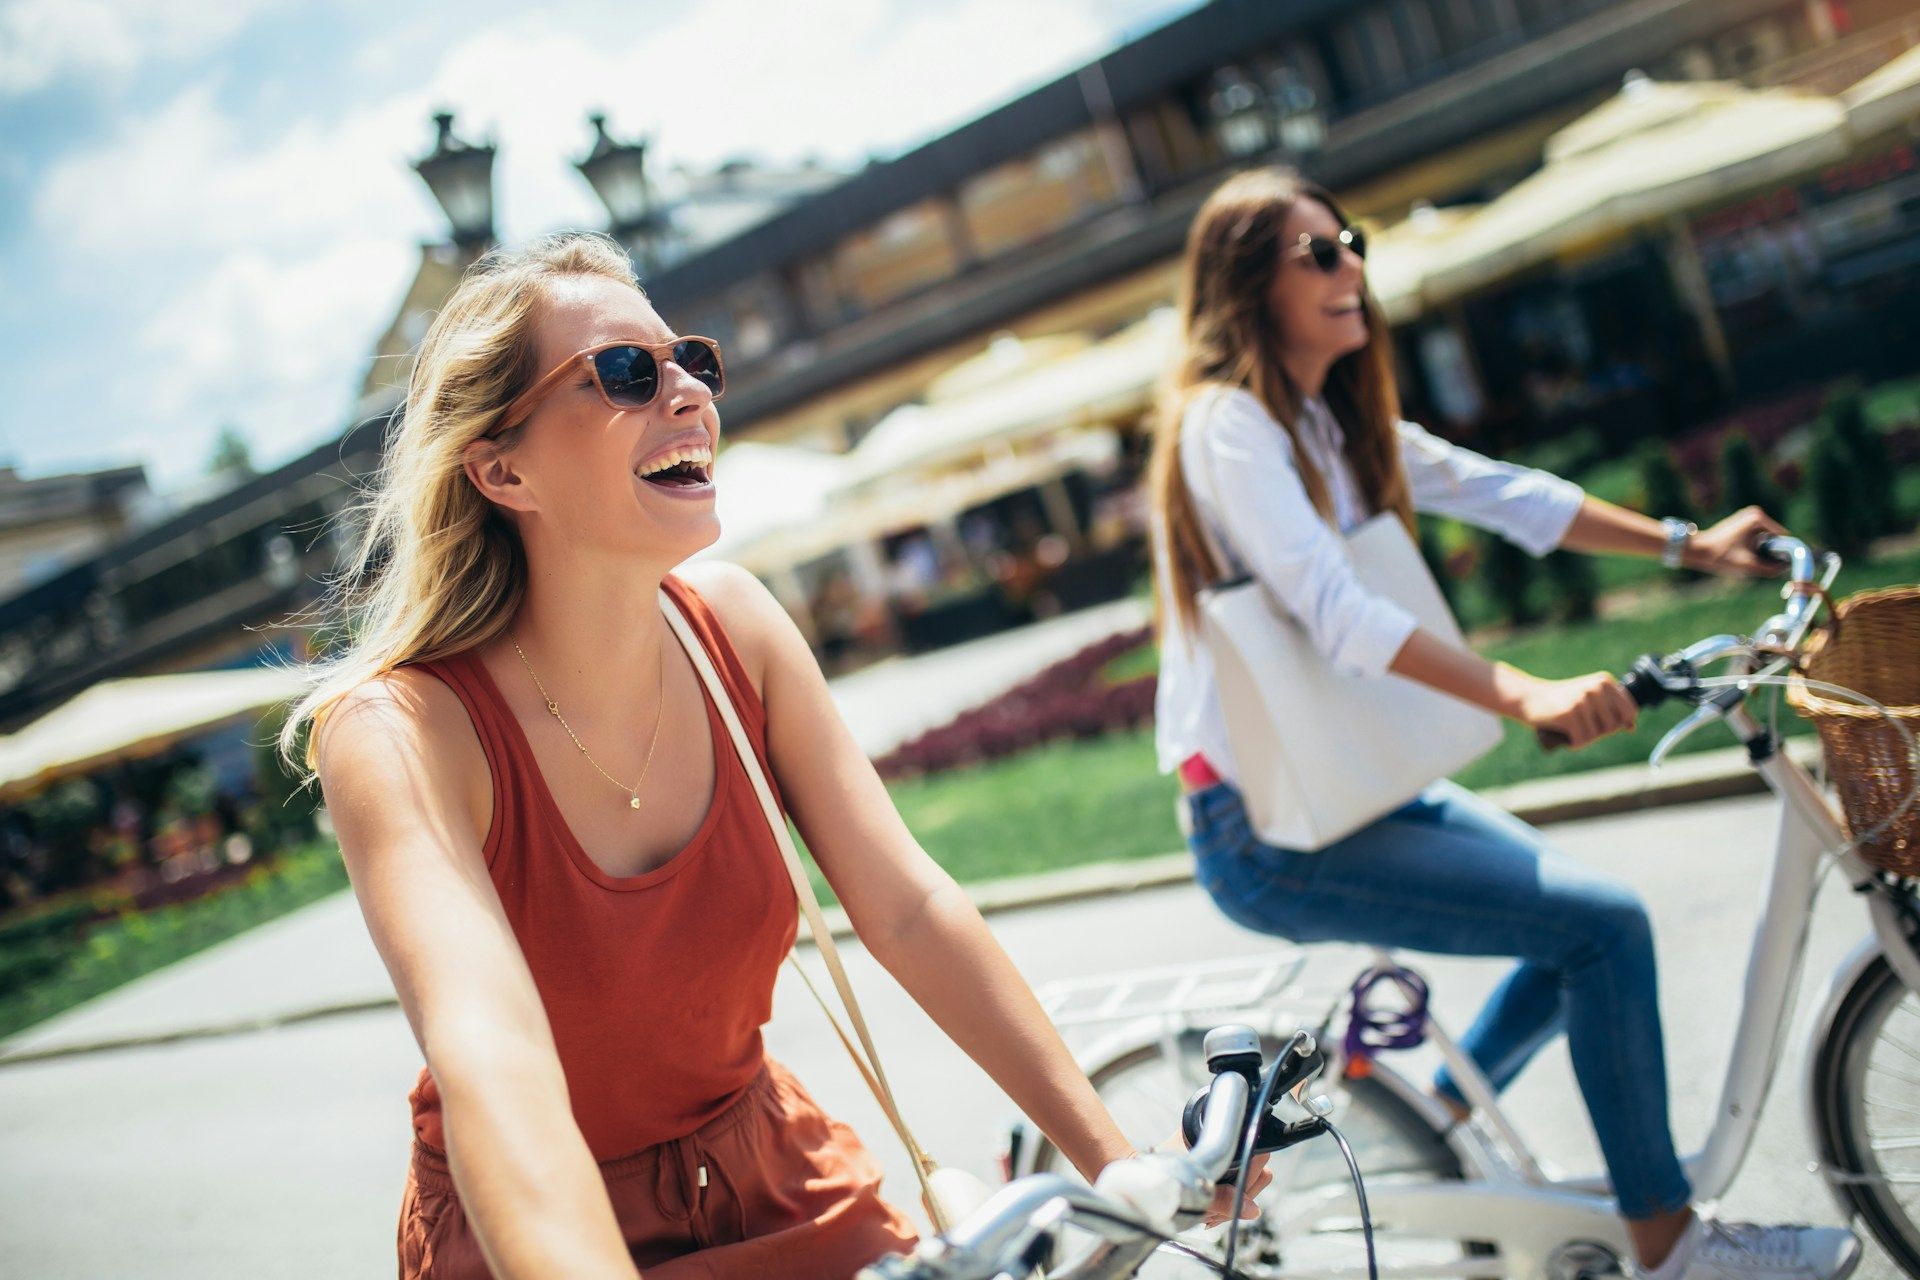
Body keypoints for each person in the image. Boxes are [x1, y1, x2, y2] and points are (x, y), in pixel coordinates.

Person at [283, 232, 1259, 1280]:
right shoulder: (399, 731)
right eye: (624, 373)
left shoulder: (736, 629)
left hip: (777, 1186)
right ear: (502, 467)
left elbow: (908, 909)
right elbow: (493, 1061)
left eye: (692, 360)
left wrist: (1120, 1168)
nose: (689, 393)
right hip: (539, 1229)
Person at [1146, 168, 1859, 1280]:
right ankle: (1669, 1247)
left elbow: (1506, 493)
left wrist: (1690, 545)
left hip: (1351, 785)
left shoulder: (1333, 420)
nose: (1350, 267)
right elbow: (1335, 614)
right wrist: (1523, 691)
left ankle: (1422, 1128)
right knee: (1603, 927)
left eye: (1352, 239)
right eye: (1317, 253)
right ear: (1247, 287)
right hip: (1267, 827)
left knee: (1583, 929)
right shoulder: (1228, 426)